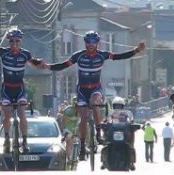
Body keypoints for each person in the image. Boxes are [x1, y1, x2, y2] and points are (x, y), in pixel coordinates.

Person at [43, 30, 146, 160]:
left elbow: (119, 57)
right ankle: (81, 146)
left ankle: (98, 133)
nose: (91, 45)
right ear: (85, 43)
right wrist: (47, 67)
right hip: (82, 90)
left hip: (95, 89)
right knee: (83, 118)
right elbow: (63, 65)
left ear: (97, 43)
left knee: (96, 101)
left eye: (93, 42)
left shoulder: (102, 55)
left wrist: (135, 50)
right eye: (88, 42)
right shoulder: (78, 56)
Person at [0, 23, 44, 152]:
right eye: (12, 41)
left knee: (22, 114)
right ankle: (7, 138)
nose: (14, 43)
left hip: (19, 89)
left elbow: (34, 64)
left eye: (17, 41)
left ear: (21, 41)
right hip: (6, 89)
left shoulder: (25, 54)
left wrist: (41, 64)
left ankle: (24, 141)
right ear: (9, 41)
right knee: (7, 115)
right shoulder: (3, 52)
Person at [101, 96, 136, 170]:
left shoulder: (128, 113)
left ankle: (132, 161)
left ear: (123, 106)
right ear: (113, 106)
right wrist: (103, 123)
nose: (118, 107)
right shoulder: (110, 113)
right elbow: (105, 120)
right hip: (112, 132)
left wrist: (133, 125)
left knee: (132, 132)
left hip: (124, 132)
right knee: (105, 133)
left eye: (120, 105)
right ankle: (103, 160)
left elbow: (132, 121)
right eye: (116, 105)